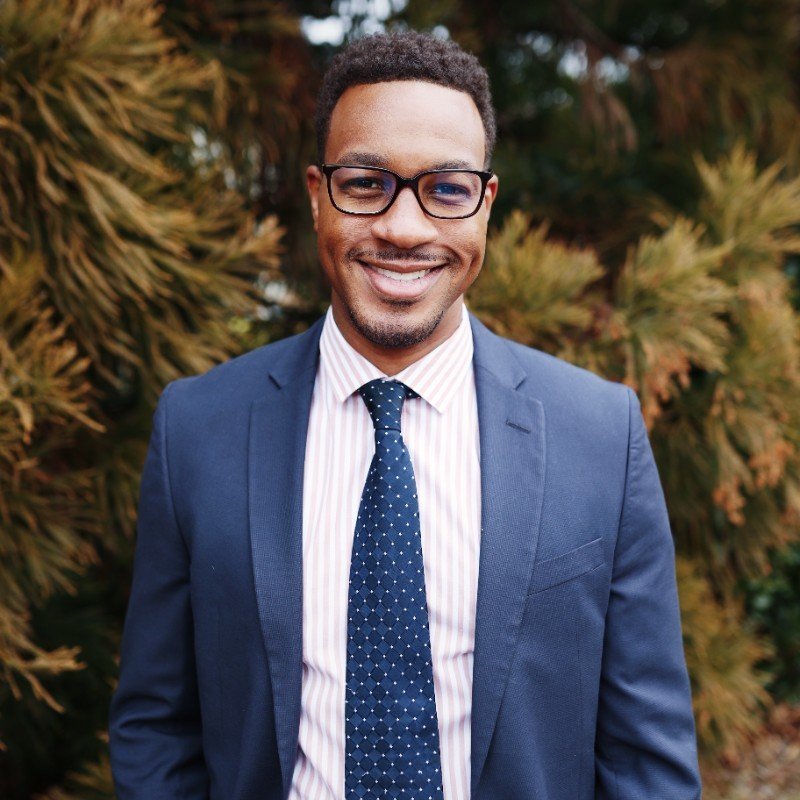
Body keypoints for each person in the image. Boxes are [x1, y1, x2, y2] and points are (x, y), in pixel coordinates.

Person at [109, 30, 701, 800]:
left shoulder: (599, 433)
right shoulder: (197, 428)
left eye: (445, 189)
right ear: (317, 192)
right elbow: (157, 725)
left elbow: (647, 758)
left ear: (485, 205)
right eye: (366, 183)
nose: (403, 228)